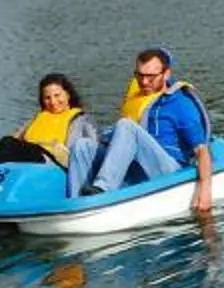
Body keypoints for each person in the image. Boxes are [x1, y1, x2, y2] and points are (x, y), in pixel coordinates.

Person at [69, 46, 215, 212]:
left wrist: (205, 190)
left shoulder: (180, 104)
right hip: (137, 166)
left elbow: (202, 150)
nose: (144, 82)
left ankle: (103, 190)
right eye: (140, 76)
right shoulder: (139, 100)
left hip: (168, 169)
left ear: (166, 74)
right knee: (82, 146)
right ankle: (76, 205)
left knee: (126, 126)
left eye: (151, 77)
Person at [0, 73, 94, 196]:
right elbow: (16, 138)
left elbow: (90, 149)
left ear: (68, 94)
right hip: (28, 156)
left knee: (6, 142)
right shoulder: (38, 117)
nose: (53, 102)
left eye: (57, 95)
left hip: (51, 163)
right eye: (47, 98)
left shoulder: (80, 120)